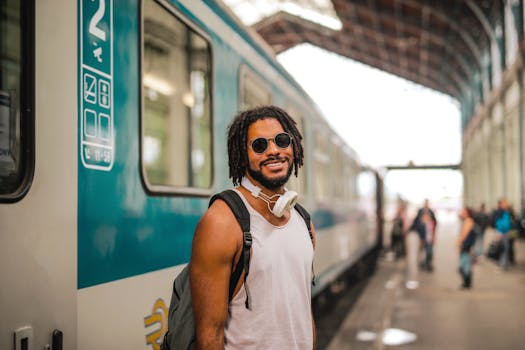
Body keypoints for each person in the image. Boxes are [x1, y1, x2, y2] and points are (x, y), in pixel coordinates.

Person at [189, 105, 316, 349]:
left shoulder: (303, 221)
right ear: (242, 154)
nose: (274, 151)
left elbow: (302, 312)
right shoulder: (222, 222)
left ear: (293, 147)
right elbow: (209, 336)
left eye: (281, 141)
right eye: (259, 145)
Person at [411, 199, 437, 272]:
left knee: (429, 251)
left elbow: (435, 224)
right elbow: (416, 223)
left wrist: (434, 236)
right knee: (422, 251)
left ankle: (428, 264)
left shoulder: (431, 215)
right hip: (422, 237)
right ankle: (422, 263)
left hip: (429, 237)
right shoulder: (420, 213)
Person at [490, 198, 516, 270]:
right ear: (500, 204)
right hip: (502, 232)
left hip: (509, 232)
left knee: (508, 247)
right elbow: (498, 223)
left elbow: (511, 221)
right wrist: (499, 232)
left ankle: (506, 262)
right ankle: (503, 263)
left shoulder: (507, 211)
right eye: (505, 203)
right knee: (503, 248)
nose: (506, 204)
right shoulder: (499, 212)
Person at [457, 207, 476, 289]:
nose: (461, 213)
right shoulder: (466, 221)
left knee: (464, 266)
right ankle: (466, 283)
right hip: (466, 246)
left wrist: (459, 243)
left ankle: (467, 283)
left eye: (463, 211)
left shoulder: (468, 221)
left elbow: (464, 234)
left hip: (466, 246)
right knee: (465, 265)